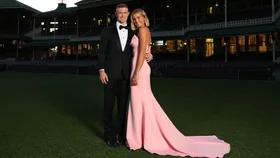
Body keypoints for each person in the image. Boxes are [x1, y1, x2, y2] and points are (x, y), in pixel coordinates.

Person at [126, 8, 231, 158]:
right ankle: (143, 138)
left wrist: (136, 73)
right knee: (143, 104)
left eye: (138, 18)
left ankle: (139, 140)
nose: (136, 21)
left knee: (139, 104)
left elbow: (142, 52)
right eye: (134, 19)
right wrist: (150, 55)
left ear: (144, 18)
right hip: (141, 67)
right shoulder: (143, 31)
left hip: (139, 70)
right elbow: (147, 51)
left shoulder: (143, 30)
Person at [98, 4, 153, 148]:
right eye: (119, 13)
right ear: (116, 14)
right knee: (108, 106)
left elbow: (142, 48)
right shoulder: (107, 31)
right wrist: (101, 70)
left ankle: (122, 137)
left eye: (124, 13)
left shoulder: (134, 31)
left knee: (123, 108)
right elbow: (102, 52)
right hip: (109, 74)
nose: (122, 15)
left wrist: (149, 54)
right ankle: (109, 137)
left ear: (128, 14)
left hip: (126, 74)